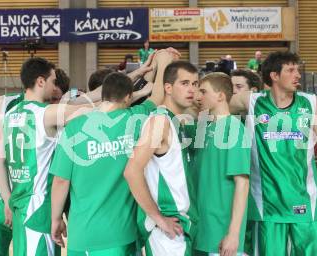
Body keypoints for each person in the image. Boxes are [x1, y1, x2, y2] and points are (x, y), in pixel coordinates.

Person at [50, 49, 176, 255]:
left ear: (103, 94)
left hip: (82, 236)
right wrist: (162, 62)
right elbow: (158, 96)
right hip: (121, 236)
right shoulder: (135, 120)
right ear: (128, 96)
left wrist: (56, 219)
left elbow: (61, 181)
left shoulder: (74, 127)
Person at [230, 51, 317, 255]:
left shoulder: (310, 103)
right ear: (274, 76)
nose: (298, 75)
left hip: (306, 204)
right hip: (266, 208)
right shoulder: (251, 101)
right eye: (291, 70)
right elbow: (215, 100)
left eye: (298, 70)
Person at [0, 67, 74, 256]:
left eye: (57, 99)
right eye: (53, 96)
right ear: (42, 84)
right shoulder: (4, 103)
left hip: (29, 200)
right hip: (0, 194)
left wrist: (57, 213)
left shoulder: (53, 114)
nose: (54, 102)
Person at [124, 61, 199, 255]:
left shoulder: (176, 121)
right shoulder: (160, 121)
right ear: (168, 87)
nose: (191, 89)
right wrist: (158, 218)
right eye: (184, 83)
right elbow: (132, 171)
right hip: (167, 231)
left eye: (195, 83)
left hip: (179, 226)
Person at [193, 72, 250, 256]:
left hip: (221, 236)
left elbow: (242, 183)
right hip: (201, 231)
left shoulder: (234, 129)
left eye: (203, 91)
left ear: (220, 96)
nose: (198, 96)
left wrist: (233, 234)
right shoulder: (204, 127)